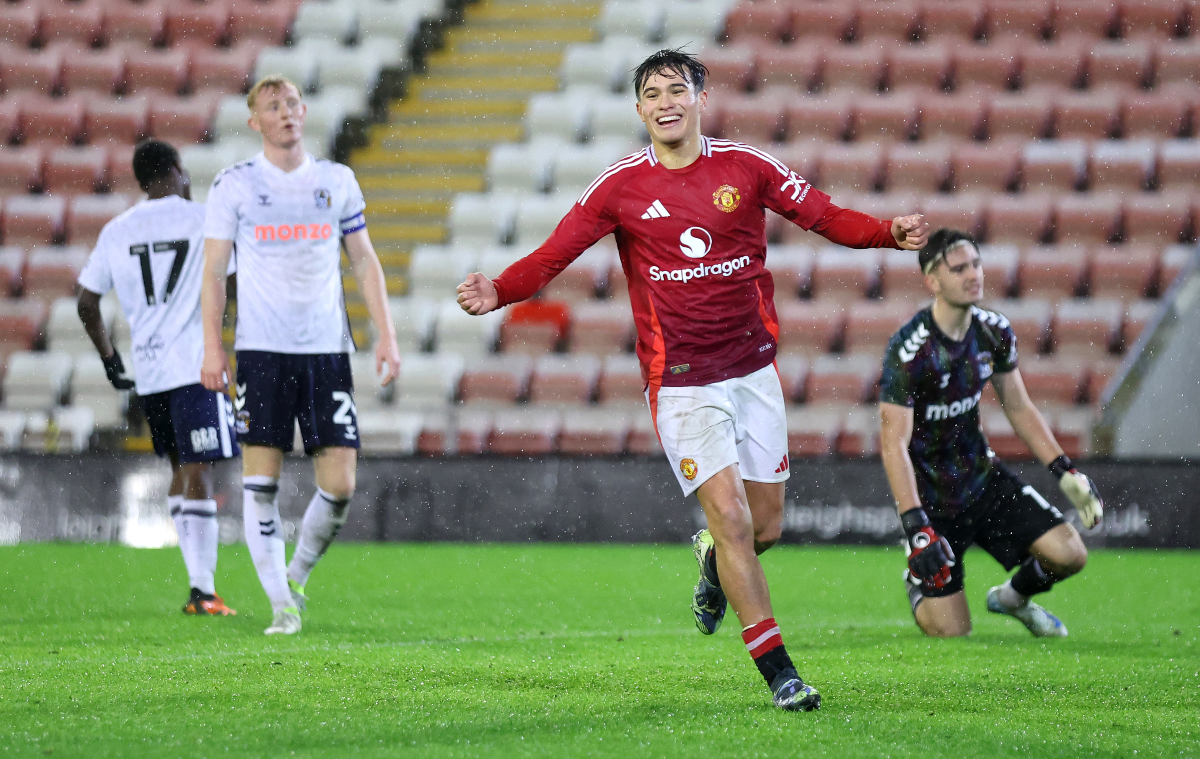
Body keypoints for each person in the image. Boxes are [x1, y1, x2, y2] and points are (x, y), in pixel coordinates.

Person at [456, 49, 931, 711]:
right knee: (734, 518)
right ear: (640, 109)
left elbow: (822, 214)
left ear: (701, 97)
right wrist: (500, 289)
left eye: (676, 89)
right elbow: (555, 254)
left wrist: (887, 233)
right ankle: (780, 672)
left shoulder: (747, 167)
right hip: (680, 381)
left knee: (765, 528)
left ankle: (711, 564)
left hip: (752, 372)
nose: (665, 102)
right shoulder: (620, 186)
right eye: (651, 94)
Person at [199, 75, 401, 636]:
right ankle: (280, 607)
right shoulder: (234, 185)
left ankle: (295, 577)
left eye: (291, 104)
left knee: (341, 484)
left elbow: (363, 261)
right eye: (272, 106)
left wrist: (386, 333)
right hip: (262, 350)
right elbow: (215, 270)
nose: (285, 113)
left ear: (305, 111)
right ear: (254, 121)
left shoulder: (336, 181)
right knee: (259, 483)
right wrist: (212, 345)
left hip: (325, 350)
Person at [878, 228, 1104, 639]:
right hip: (933, 501)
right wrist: (915, 526)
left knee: (1070, 555)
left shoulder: (993, 331)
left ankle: (1014, 599)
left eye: (976, 264)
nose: (973, 274)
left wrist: (1065, 471)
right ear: (932, 280)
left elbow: (1018, 406)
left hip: (983, 480)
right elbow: (893, 442)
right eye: (959, 268)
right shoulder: (910, 349)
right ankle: (917, 579)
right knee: (951, 631)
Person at [77, 140, 239, 616]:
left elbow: (87, 304)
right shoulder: (205, 218)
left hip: (149, 373)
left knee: (180, 470)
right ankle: (202, 591)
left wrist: (111, 361)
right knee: (199, 470)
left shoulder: (117, 230)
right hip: (196, 365)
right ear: (176, 171)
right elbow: (233, 283)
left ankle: (197, 584)